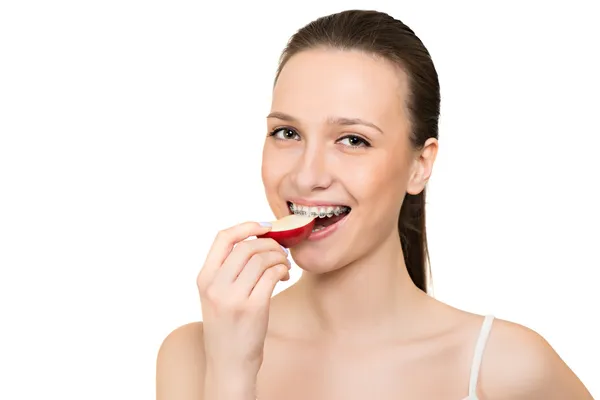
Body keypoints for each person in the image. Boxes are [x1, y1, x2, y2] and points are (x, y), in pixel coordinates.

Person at [156, 9, 593, 400]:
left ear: (420, 166)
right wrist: (232, 376)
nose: (307, 175)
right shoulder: (193, 354)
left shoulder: (507, 368)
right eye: (287, 133)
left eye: (353, 140)